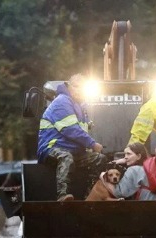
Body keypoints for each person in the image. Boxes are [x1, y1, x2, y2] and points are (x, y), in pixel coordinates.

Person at [37, 73, 106, 201]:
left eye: (82, 88)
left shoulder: (80, 107)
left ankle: (90, 196)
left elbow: (82, 131)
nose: (79, 91)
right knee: (66, 157)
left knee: (99, 159)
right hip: (52, 147)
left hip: (73, 151)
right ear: (68, 86)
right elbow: (71, 130)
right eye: (76, 86)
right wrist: (93, 144)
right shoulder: (62, 101)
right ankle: (62, 195)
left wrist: (91, 148)